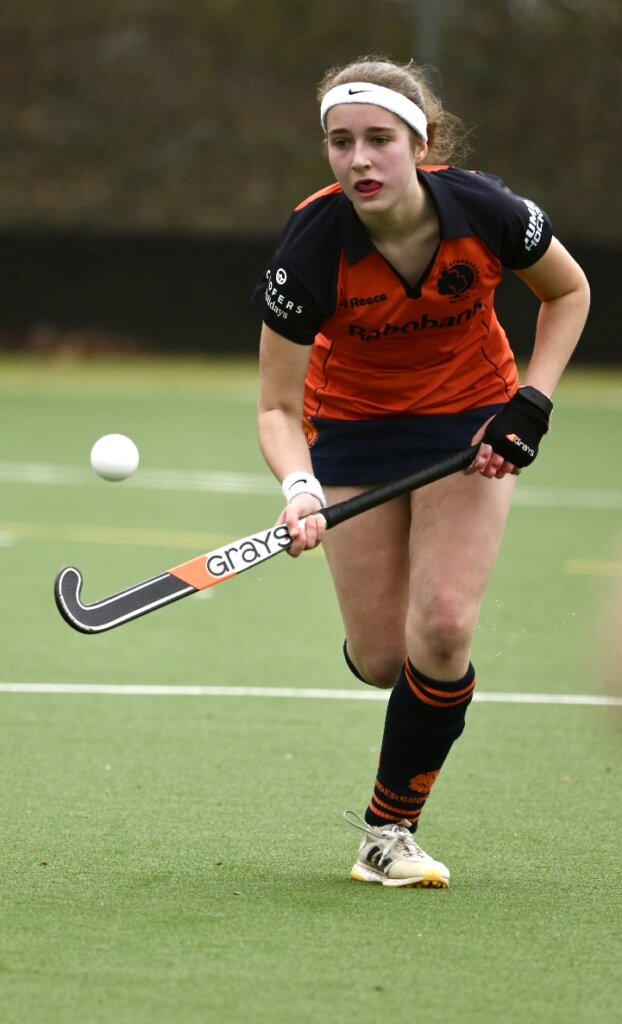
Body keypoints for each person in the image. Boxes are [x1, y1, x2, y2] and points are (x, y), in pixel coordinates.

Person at [252, 56, 590, 888]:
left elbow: (569, 292)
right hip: (353, 433)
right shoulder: (311, 246)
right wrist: (300, 489)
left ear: (421, 143)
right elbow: (276, 408)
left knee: (440, 626)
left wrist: (531, 404)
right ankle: (403, 683)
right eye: (341, 143)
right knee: (383, 659)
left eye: (379, 139)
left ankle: (389, 830)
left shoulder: (486, 211)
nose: (359, 159)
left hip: (468, 422)